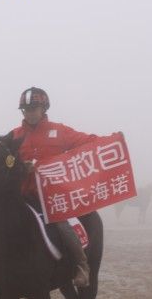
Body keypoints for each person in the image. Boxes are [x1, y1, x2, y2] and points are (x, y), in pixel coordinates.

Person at [10, 87, 96, 287]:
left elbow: (87, 141)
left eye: (34, 108)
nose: (30, 112)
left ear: (43, 108)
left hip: (53, 197)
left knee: (62, 225)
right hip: (25, 196)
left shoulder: (60, 131)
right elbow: (6, 163)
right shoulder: (14, 136)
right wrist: (20, 168)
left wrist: (112, 139)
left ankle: (82, 266)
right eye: (26, 109)